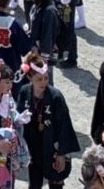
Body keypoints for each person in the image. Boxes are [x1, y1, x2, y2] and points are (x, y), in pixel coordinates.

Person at [16, 54, 79, 188]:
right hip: (33, 146)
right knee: (34, 183)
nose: (44, 82)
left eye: (46, 78)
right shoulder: (24, 92)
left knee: (56, 182)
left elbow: (64, 126)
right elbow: (18, 120)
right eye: (39, 79)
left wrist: (62, 154)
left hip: (52, 146)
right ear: (29, 78)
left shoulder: (56, 97)